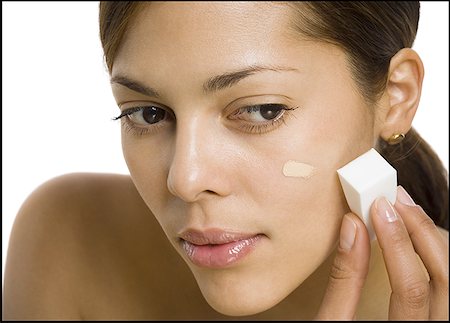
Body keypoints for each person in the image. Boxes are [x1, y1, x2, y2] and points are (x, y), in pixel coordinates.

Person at [3, 1, 448, 320]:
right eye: (148, 113)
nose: (186, 178)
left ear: (396, 96)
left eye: (261, 110)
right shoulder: (72, 238)